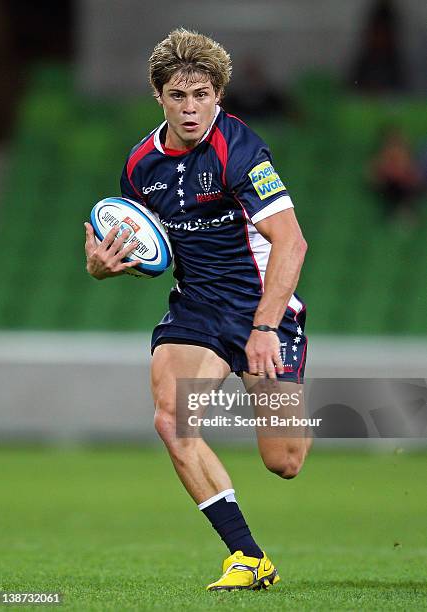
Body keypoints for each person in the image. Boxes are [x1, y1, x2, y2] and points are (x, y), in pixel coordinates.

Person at [84, 28, 310, 592]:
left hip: (265, 307)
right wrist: (103, 265)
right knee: (171, 418)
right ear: (159, 96)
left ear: (219, 96)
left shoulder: (240, 149)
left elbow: (292, 243)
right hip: (198, 309)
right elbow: (143, 248)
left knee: (284, 462)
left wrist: (263, 328)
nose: (191, 108)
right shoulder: (140, 166)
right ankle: (249, 557)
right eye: (178, 95)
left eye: (202, 94)